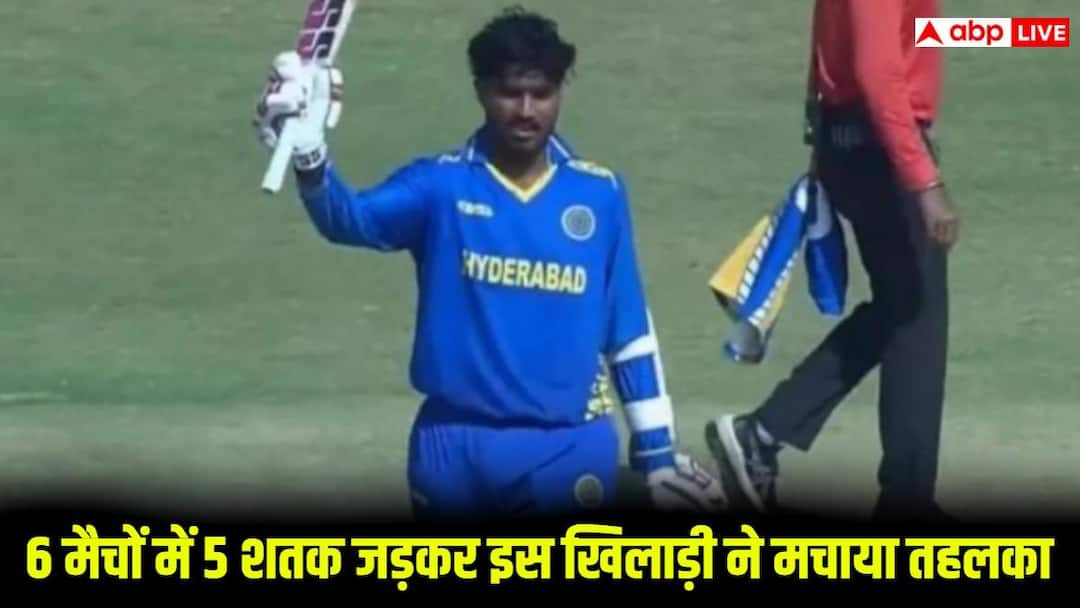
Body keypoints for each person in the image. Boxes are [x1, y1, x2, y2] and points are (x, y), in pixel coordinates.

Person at [254, 7, 725, 520]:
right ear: (481, 92)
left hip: (566, 448)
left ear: (560, 93)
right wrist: (311, 161)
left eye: (541, 93)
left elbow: (628, 328)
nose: (526, 110)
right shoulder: (440, 186)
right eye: (509, 93)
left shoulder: (598, 194)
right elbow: (350, 221)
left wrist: (656, 453)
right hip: (451, 449)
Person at [706, 0, 959, 521]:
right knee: (917, 318)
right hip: (879, 148)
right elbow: (876, 72)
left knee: (899, 310)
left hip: (854, 140)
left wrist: (819, 138)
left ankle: (762, 434)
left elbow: (847, 38)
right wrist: (923, 180)